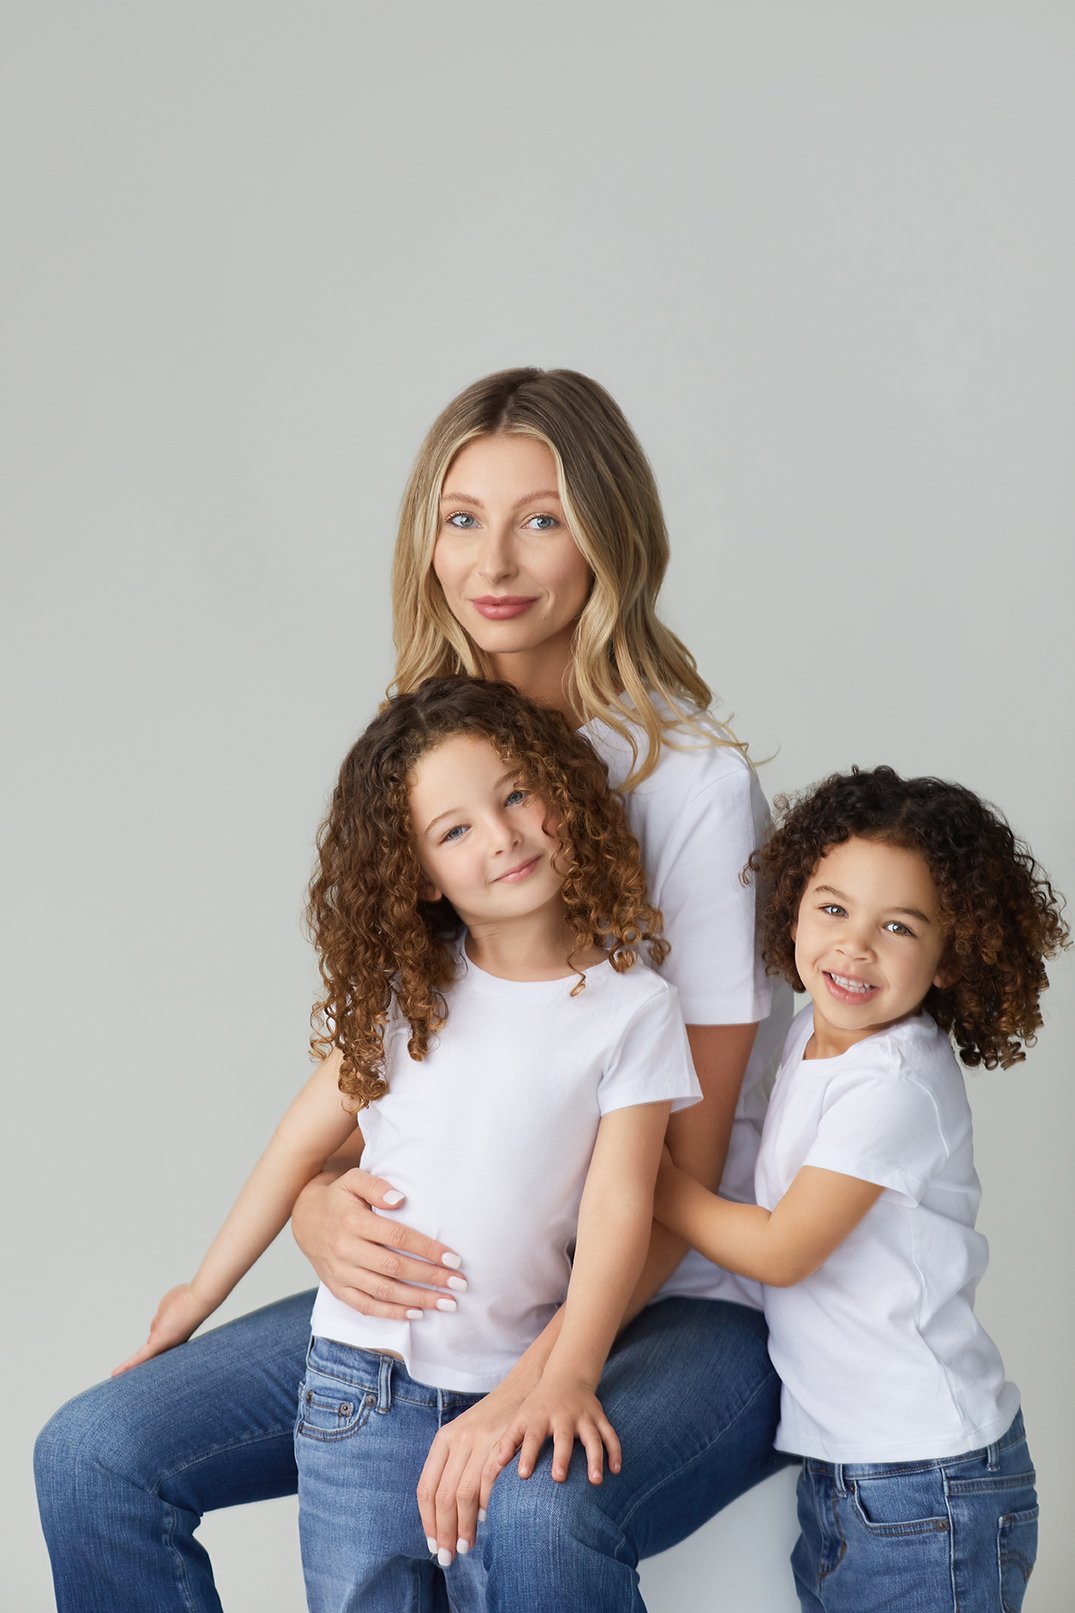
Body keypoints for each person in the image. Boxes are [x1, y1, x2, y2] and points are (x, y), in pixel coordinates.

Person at [36, 366, 792, 1613]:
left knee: (534, 1500)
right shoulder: (432, 750)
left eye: (541, 517)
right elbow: (394, 1072)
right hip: (451, 1289)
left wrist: (529, 1380)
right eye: (461, 518)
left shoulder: (691, 789)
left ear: (609, 534)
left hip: (676, 1292)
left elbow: (683, 1173)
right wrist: (318, 1207)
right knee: (93, 1455)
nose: (493, 560)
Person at [110, 675, 702, 1611]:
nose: (502, 835)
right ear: (420, 874)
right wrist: (199, 1292)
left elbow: (621, 1205)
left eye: (516, 794)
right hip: (356, 1393)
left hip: (504, 1387)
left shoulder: (633, 1009)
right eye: (455, 829)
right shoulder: (403, 997)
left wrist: (568, 1376)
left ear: (563, 793)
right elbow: (295, 1148)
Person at [654, 765, 1069, 1613]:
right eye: (833, 908)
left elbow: (782, 1249)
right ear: (792, 907)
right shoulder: (812, 1033)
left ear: (951, 956)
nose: (853, 947)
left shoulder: (894, 1081)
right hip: (853, 1469)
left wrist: (647, 1179)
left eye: (897, 926)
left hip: (926, 1481)